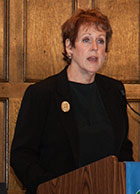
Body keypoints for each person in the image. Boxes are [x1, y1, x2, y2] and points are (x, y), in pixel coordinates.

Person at [10, 8, 133, 194]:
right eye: (86, 40)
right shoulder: (43, 94)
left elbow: (123, 148)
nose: (95, 47)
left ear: (106, 51)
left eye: (100, 41)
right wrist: (52, 188)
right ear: (69, 47)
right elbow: (21, 156)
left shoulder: (114, 91)